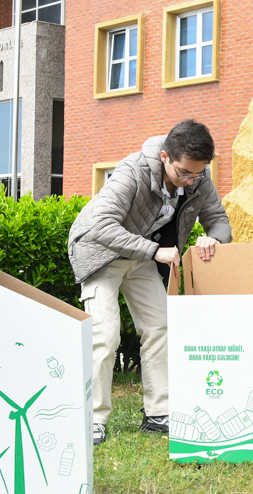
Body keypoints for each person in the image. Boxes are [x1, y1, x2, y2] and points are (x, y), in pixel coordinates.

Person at [67, 119, 232, 445]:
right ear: (165, 157)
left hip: (142, 255)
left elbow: (218, 219)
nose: (190, 181)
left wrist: (214, 240)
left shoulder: (198, 178)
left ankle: (159, 413)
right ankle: (94, 419)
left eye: (197, 173)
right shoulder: (132, 171)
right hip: (100, 253)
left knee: (161, 326)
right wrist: (155, 250)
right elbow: (100, 224)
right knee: (104, 333)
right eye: (184, 173)